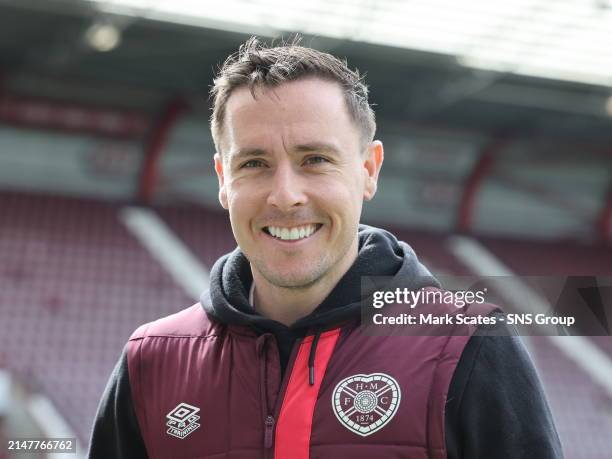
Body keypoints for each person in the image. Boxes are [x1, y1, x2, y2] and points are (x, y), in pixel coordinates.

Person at [88, 36, 563, 458]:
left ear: (368, 170)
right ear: (223, 180)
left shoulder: (469, 346)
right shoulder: (152, 361)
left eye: (315, 159)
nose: (285, 195)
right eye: (254, 163)